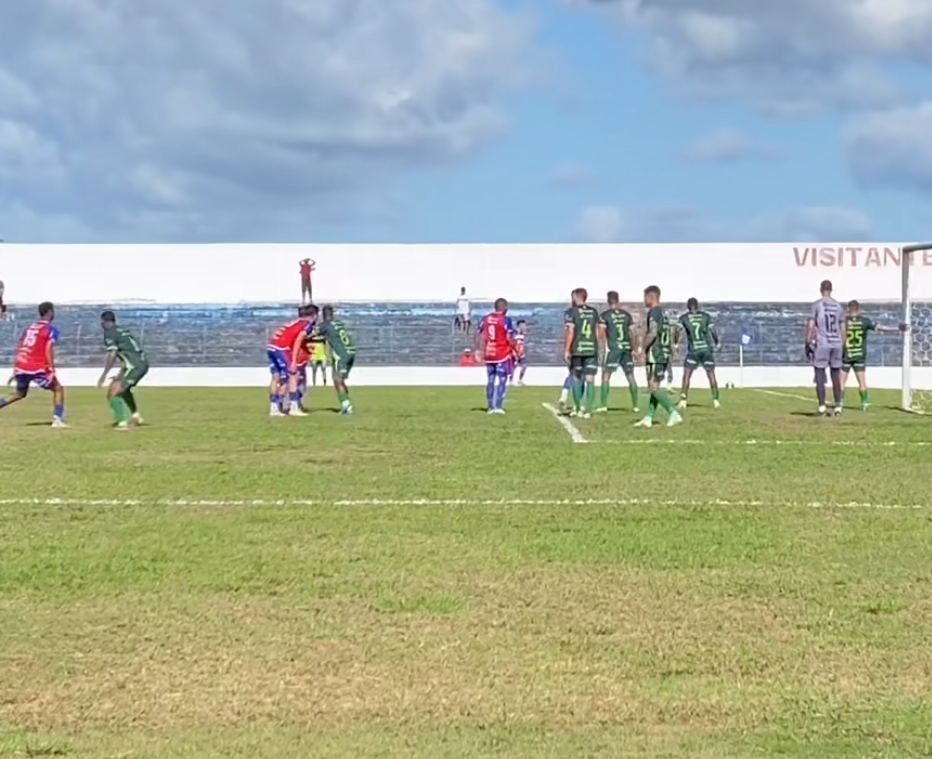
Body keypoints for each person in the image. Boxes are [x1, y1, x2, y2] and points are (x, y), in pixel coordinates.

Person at [0, 301, 65, 427]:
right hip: (37, 367)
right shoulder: (50, 329)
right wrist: (51, 369)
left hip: (22, 364)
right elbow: (48, 348)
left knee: (19, 393)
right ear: (50, 312)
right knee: (58, 388)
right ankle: (57, 419)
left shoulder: (30, 328)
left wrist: (17, 367)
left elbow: (22, 345)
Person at [634, 286, 682, 428]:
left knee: (653, 386)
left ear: (650, 297)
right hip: (664, 352)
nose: (644, 300)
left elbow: (653, 332)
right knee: (654, 386)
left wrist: (643, 348)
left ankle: (673, 412)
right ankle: (648, 418)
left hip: (656, 353)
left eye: (645, 297)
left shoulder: (654, 312)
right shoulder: (664, 314)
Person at [843, 300, 903, 410]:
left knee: (841, 381)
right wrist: (897, 328)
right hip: (859, 355)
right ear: (858, 309)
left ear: (848, 309)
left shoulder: (844, 321)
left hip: (846, 354)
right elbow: (881, 328)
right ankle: (864, 403)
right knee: (862, 381)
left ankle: (840, 403)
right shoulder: (864, 321)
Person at [96, 311, 148, 430]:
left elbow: (113, 353)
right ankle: (136, 416)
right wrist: (121, 373)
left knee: (114, 393)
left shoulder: (110, 333)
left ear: (104, 321)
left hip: (135, 367)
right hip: (139, 364)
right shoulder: (122, 331)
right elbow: (129, 353)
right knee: (121, 389)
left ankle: (122, 422)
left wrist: (104, 374)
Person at [266, 305, 317, 416]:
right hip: (281, 348)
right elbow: (298, 341)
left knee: (276, 377)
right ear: (314, 316)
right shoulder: (306, 325)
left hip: (271, 347)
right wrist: (293, 361)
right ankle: (294, 407)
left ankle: (274, 408)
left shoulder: (294, 323)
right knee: (292, 376)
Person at [807, 279, 846, 416]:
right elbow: (842, 327)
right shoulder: (838, 307)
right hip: (836, 343)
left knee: (819, 373)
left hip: (823, 343)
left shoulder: (817, 305)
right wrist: (844, 343)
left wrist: (808, 341)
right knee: (836, 375)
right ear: (831, 289)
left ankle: (822, 405)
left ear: (820, 289)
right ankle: (838, 406)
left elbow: (812, 325)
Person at [596, 291, 639, 413]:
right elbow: (633, 333)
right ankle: (635, 405)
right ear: (618, 300)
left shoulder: (605, 315)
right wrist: (634, 348)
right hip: (626, 349)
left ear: (608, 301)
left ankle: (603, 405)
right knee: (630, 376)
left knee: (606, 376)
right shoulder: (626, 315)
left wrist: (601, 350)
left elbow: (601, 335)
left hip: (614, 349)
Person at [677, 298, 721, 409]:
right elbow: (713, 330)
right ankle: (716, 401)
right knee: (711, 375)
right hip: (706, 349)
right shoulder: (706, 316)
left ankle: (683, 400)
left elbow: (678, 331)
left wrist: (675, 343)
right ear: (697, 306)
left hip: (694, 350)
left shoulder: (684, 318)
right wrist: (717, 342)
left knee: (687, 375)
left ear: (688, 306)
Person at [563, 288, 600, 418]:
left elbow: (570, 331)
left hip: (578, 348)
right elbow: (597, 331)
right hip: (591, 348)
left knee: (576, 378)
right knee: (590, 379)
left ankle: (578, 408)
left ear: (575, 297)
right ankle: (588, 410)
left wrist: (567, 349)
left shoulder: (571, 312)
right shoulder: (593, 311)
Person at [476, 298, 516, 414]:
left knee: (491, 380)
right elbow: (508, 337)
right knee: (502, 379)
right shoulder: (505, 320)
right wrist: (514, 348)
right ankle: (498, 406)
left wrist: (478, 349)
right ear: (504, 307)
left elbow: (478, 333)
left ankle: (490, 407)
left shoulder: (486, 318)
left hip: (489, 353)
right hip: (501, 353)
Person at [314, 305, 356, 415]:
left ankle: (346, 406)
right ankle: (346, 402)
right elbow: (331, 336)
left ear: (323, 315)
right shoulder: (338, 324)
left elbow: (309, 334)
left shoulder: (324, 326)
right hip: (351, 351)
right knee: (341, 379)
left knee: (337, 379)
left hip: (340, 354)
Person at [510, 320, 528, 385]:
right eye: (523, 325)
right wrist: (513, 351)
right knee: (513, 367)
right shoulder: (514, 333)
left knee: (524, 366)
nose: (524, 327)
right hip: (514, 352)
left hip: (521, 353)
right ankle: (511, 380)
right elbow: (511, 342)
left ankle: (520, 380)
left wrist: (523, 351)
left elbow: (522, 343)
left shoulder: (523, 334)